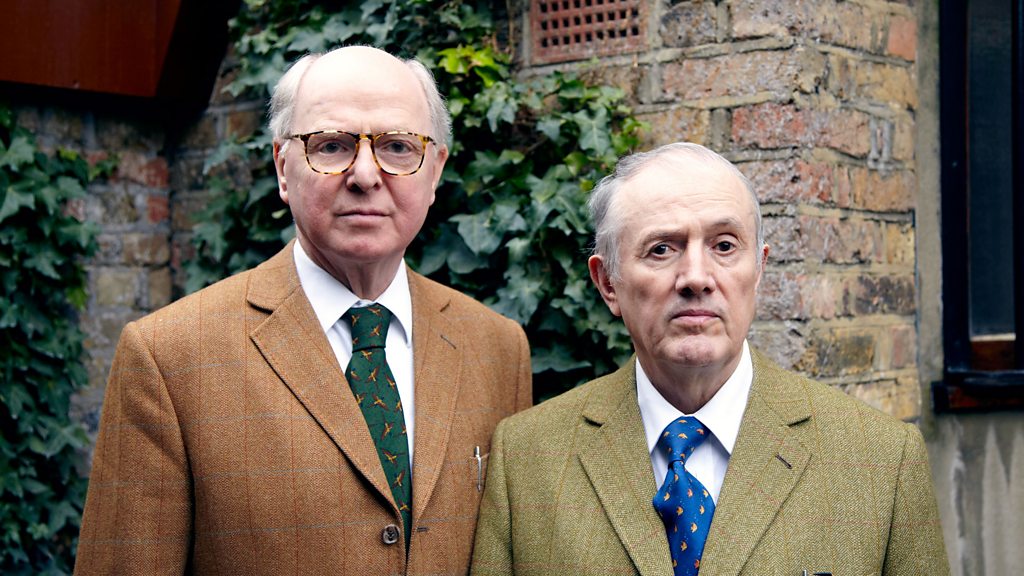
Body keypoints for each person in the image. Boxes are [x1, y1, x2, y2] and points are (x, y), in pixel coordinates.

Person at [75, 46, 532, 576]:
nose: (366, 175)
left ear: (434, 172)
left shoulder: (498, 348)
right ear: (283, 169)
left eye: (398, 146)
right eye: (332, 145)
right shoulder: (168, 357)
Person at [470, 142, 949, 576]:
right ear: (608, 283)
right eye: (661, 249)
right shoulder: (526, 458)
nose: (696, 277)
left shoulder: (881, 459)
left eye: (724, 246)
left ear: (758, 270)